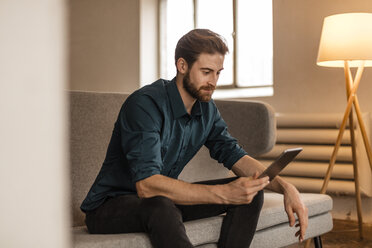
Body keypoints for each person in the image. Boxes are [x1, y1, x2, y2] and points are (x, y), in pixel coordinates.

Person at [80, 29, 308, 248]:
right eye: (206, 72)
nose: (213, 82)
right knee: (160, 204)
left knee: (250, 192)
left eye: (218, 73)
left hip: (162, 201)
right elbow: (147, 186)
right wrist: (222, 194)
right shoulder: (144, 105)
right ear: (182, 66)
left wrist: (287, 188)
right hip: (109, 207)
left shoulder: (206, 109)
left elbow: (235, 156)